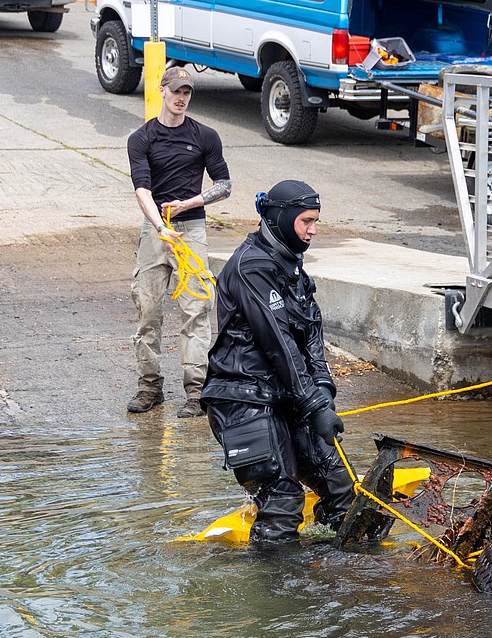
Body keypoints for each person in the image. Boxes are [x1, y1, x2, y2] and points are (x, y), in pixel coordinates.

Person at [200, 180, 355, 546]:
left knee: (341, 487)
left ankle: (338, 571)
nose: (313, 230)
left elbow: (312, 335)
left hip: (287, 396)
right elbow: (278, 342)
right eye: (306, 221)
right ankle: (274, 593)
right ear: (282, 219)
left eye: (316, 221)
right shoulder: (250, 267)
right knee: (283, 501)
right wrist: (313, 404)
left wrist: (323, 390)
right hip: (241, 398)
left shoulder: (295, 270)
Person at [126, 66, 232, 418]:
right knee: (148, 308)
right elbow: (142, 188)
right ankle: (150, 385)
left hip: (192, 231)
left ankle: (196, 391)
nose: (182, 98)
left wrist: (189, 203)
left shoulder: (205, 136)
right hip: (156, 231)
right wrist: (159, 227)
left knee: (196, 310)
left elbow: (224, 185)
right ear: (162, 90)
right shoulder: (141, 139)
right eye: (176, 91)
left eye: (187, 92)